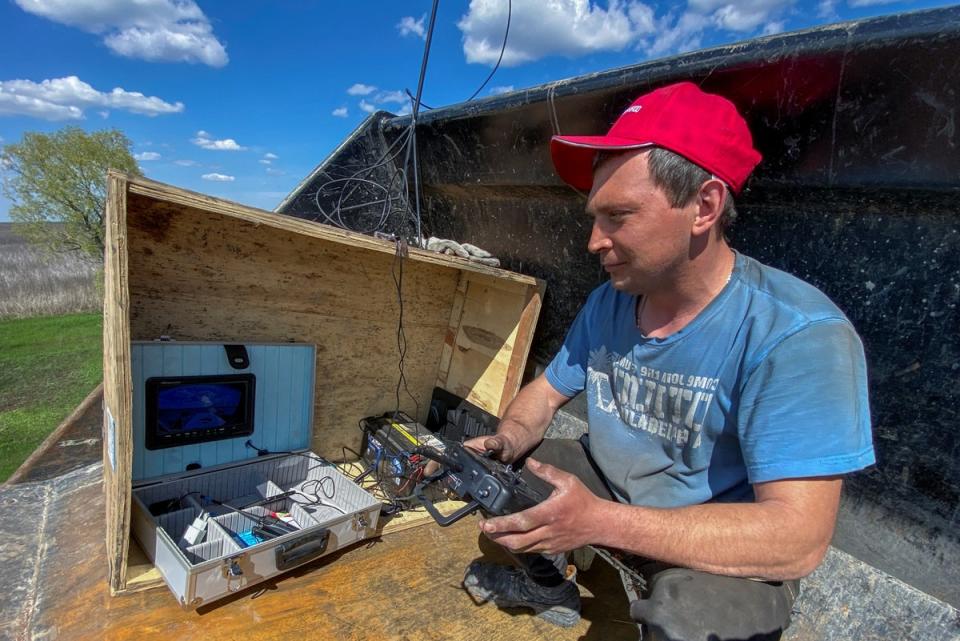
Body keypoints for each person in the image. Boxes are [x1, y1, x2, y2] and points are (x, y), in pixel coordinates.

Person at [460, 82, 875, 640]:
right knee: (508, 484)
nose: (593, 242)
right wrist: (506, 440)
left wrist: (602, 522)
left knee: (687, 620)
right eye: (594, 217)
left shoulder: (797, 334)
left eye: (618, 216)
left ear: (703, 206)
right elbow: (545, 394)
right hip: (613, 493)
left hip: (712, 541)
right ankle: (548, 588)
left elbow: (798, 540)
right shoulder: (611, 299)